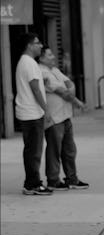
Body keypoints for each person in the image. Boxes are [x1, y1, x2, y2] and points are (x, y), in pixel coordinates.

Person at [38, 45, 89, 190]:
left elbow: (69, 84)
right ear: (41, 58)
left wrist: (71, 92)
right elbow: (64, 92)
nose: (53, 57)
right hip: (54, 118)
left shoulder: (54, 70)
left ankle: (72, 178)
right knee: (54, 150)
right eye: (49, 55)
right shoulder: (42, 72)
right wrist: (74, 97)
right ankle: (53, 180)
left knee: (70, 150)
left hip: (65, 116)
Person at [15, 33, 52, 195]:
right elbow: (35, 88)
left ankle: (31, 182)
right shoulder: (28, 63)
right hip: (31, 113)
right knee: (34, 151)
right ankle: (32, 184)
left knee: (31, 150)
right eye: (37, 43)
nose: (41, 45)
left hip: (29, 112)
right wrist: (46, 109)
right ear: (29, 45)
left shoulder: (26, 62)